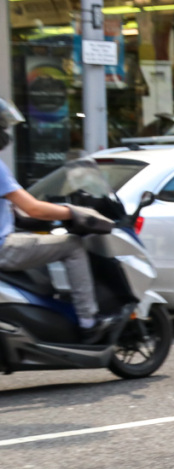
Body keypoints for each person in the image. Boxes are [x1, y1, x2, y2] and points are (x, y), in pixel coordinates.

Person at [0, 99, 117, 342]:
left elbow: (16, 212)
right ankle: (88, 322)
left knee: (41, 244)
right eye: (2, 127)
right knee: (72, 245)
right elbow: (33, 208)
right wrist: (73, 213)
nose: (5, 133)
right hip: (3, 248)